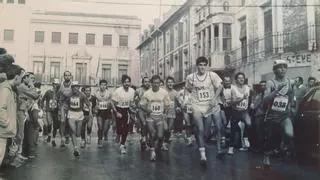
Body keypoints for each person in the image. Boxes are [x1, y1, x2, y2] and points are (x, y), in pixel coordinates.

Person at [185, 56, 224, 162]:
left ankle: (219, 148)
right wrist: (188, 102)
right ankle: (202, 154)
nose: (202, 67)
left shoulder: (212, 75)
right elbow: (187, 89)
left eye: (204, 65)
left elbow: (220, 87)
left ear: (207, 66)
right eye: (200, 65)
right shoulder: (191, 77)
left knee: (215, 128)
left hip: (211, 105)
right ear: (197, 66)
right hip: (197, 105)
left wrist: (214, 98)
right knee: (200, 129)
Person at [261, 60, 295, 167]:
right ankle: (266, 155)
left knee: (289, 134)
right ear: (274, 70)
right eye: (280, 67)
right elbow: (265, 100)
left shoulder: (291, 82)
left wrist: (292, 107)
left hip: (284, 115)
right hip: (272, 115)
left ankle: (282, 146)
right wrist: (276, 91)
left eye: (285, 67)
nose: (283, 69)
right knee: (271, 140)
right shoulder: (270, 83)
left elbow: (292, 98)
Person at [139, 75, 171, 161]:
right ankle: (152, 151)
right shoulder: (147, 93)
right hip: (150, 117)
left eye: (158, 83)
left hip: (160, 117)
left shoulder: (164, 93)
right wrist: (146, 110)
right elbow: (141, 105)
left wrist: (165, 114)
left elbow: (168, 105)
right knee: (152, 133)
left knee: (160, 136)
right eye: (154, 83)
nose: (156, 85)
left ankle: (158, 145)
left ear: (160, 83)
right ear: (151, 83)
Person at [0, 64, 24, 166]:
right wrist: (6, 123)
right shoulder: (5, 89)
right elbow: (1, 108)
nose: (21, 80)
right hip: (2, 132)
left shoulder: (7, 88)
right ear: (16, 77)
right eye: (21, 77)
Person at [15, 72, 40, 161]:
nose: (32, 80)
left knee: (22, 133)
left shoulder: (24, 87)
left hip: (23, 111)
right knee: (20, 134)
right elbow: (35, 95)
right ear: (25, 78)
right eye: (30, 78)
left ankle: (19, 153)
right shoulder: (23, 87)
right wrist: (32, 85)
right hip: (20, 111)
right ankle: (17, 154)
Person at [228, 72, 252, 155]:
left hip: (244, 111)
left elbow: (250, 99)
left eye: (242, 78)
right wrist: (242, 98)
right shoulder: (233, 88)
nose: (241, 79)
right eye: (239, 78)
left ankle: (245, 138)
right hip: (235, 111)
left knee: (249, 124)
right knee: (233, 130)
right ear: (236, 80)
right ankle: (230, 148)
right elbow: (233, 102)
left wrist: (250, 106)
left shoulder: (247, 88)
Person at [111, 75, 135, 154]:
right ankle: (118, 134)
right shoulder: (118, 91)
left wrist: (132, 108)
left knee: (126, 128)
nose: (127, 84)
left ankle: (122, 145)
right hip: (118, 109)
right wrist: (116, 112)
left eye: (128, 82)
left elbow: (131, 103)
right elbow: (112, 103)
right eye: (125, 82)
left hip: (127, 110)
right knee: (119, 127)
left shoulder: (132, 91)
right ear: (122, 83)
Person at [67, 81, 92, 157]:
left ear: (79, 87)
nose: (75, 88)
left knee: (78, 133)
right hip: (71, 113)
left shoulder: (82, 95)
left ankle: (76, 141)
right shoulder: (69, 95)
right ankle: (76, 148)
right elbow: (65, 103)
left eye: (77, 87)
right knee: (73, 130)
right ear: (72, 88)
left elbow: (89, 104)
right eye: (73, 87)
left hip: (80, 114)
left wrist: (90, 113)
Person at [163, 76, 181, 151]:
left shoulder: (176, 93)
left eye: (171, 82)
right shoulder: (163, 91)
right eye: (169, 82)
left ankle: (165, 142)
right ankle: (163, 142)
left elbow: (179, 103)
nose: (170, 84)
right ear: (166, 83)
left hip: (172, 113)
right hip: (163, 113)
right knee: (165, 128)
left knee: (169, 129)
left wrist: (178, 107)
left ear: (173, 83)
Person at [41, 79, 60, 147]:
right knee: (49, 124)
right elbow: (42, 99)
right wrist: (43, 107)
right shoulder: (48, 92)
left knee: (55, 126)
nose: (56, 86)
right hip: (49, 110)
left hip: (56, 111)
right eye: (55, 84)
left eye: (57, 84)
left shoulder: (59, 93)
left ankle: (53, 140)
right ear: (52, 84)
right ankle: (49, 135)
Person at [93, 80, 112, 148]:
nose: (103, 86)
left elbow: (111, 103)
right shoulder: (96, 93)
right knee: (100, 126)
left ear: (106, 86)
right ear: (99, 85)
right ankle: (100, 139)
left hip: (107, 112)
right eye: (102, 85)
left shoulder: (109, 93)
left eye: (104, 85)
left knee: (105, 128)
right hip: (100, 112)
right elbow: (94, 103)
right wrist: (95, 108)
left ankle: (106, 134)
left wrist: (109, 105)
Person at [250, 80, 267, 152]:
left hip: (266, 116)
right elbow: (253, 106)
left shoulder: (266, 95)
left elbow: (253, 107)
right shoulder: (259, 96)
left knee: (264, 132)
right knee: (260, 132)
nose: (263, 87)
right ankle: (261, 148)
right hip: (260, 115)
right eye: (261, 85)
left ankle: (263, 148)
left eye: (264, 85)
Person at [135, 77, 150, 151]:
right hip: (141, 111)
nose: (147, 83)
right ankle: (144, 140)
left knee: (148, 126)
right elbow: (134, 99)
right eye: (145, 81)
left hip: (148, 110)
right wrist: (137, 105)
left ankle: (143, 139)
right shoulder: (138, 90)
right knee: (144, 124)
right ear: (142, 82)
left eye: (148, 81)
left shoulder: (151, 90)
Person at [58, 71, 72, 147]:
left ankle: (67, 135)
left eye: (68, 75)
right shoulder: (60, 85)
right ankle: (62, 137)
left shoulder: (73, 85)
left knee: (69, 121)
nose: (67, 77)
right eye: (65, 75)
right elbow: (57, 94)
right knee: (62, 121)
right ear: (64, 76)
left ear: (70, 76)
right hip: (63, 105)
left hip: (71, 105)